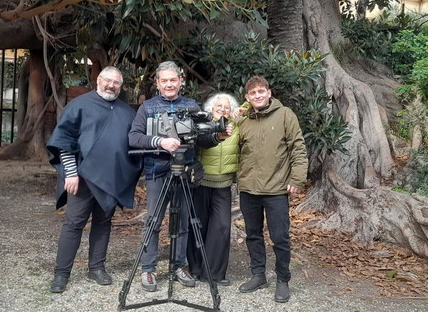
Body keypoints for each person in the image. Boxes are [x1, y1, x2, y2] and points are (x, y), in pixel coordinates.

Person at [128, 61, 224, 292]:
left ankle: (178, 265)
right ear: (158, 83)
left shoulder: (191, 105)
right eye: (164, 81)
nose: (169, 84)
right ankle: (148, 269)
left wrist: (216, 137)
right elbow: (133, 137)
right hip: (157, 171)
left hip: (185, 170)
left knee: (182, 222)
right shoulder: (148, 107)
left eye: (173, 80)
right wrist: (160, 141)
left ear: (181, 81)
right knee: (153, 221)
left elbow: (199, 138)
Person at [46, 66, 142, 293]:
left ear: (121, 85)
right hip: (81, 178)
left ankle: (96, 268)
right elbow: (64, 139)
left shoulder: (127, 112)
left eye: (116, 83)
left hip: (110, 180)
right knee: (74, 224)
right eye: (107, 81)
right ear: (98, 80)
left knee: (103, 223)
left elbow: (133, 145)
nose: (111, 86)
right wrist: (69, 172)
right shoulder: (79, 105)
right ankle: (61, 274)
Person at [235, 76, 308, 303]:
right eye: (252, 93)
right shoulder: (244, 120)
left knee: (280, 237)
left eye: (261, 91)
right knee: (253, 235)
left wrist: (297, 178)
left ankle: (283, 280)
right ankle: (258, 275)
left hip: (276, 189)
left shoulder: (285, 115)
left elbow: (298, 147)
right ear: (247, 98)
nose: (257, 95)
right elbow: (232, 149)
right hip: (248, 188)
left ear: (269, 93)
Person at [186, 93, 240, 286]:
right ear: (211, 108)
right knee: (198, 225)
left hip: (223, 185)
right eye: (219, 106)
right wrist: (218, 135)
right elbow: (201, 142)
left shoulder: (237, 126)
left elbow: (250, 108)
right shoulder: (203, 125)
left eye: (227, 107)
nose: (223, 109)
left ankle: (215, 273)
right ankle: (196, 268)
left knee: (222, 226)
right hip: (201, 182)